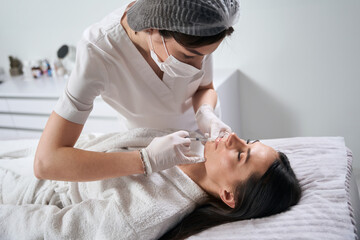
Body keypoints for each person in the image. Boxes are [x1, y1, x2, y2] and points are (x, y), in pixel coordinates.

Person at [34, 0, 240, 181]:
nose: (197, 68)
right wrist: (145, 160)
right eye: (188, 56)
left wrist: (205, 113)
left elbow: (204, 87)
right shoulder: (97, 51)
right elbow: (46, 161)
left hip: (203, 141)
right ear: (152, 28)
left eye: (204, 56)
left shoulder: (197, 24)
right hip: (146, 153)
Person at [0, 130, 301, 239]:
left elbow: (49, 230)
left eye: (240, 154)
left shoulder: (147, 215)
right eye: (247, 141)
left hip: (26, 188)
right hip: (37, 155)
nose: (233, 137)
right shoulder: (189, 149)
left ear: (228, 195)